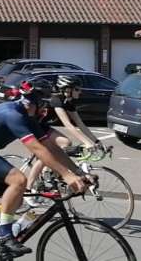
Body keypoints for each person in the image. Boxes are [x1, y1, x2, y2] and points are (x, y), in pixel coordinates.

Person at [0, 78, 90, 255]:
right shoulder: (13, 114)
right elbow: (37, 149)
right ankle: (3, 235)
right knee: (19, 180)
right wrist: (66, 175)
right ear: (32, 103)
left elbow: (51, 147)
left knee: (16, 199)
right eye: (43, 105)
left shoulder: (29, 118)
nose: (45, 110)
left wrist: (78, 172)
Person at [23, 75, 104, 206]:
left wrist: (96, 141)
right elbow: (68, 125)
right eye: (77, 89)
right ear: (67, 89)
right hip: (31, 127)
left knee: (66, 143)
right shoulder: (56, 100)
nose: (80, 92)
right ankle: (28, 189)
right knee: (46, 154)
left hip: (42, 126)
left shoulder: (68, 101)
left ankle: (47, 172)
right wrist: (87, 143)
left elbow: (80, 124)